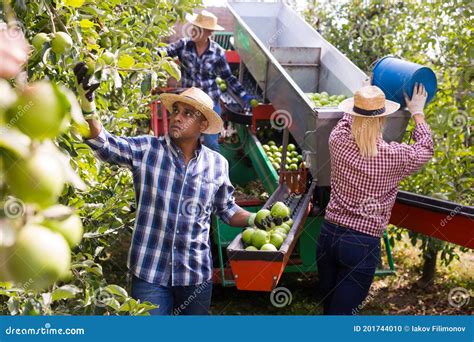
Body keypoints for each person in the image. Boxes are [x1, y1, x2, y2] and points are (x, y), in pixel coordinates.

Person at [73, 62, 257, 315]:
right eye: (176, 110)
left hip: (194, 274)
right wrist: (88, 104)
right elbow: (102, 142)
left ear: (203, 125)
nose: (177, 116)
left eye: (187, 113)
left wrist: (256, 219)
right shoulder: (147, 150)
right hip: (151, 274)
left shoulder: (217, 164)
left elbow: (226, 209)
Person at [317, 84, 434, 315]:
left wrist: (365, 93)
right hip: (361, 245)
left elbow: (348, 120)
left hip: (328, 238)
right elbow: (425, 148)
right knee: (340, 318)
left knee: (329, 310)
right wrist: (417, 112)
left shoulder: (338, 140)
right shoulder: (395, 157)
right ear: (383, 120)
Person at [162, 10, 254, 152]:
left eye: (199, 29)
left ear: (208, 33)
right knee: (181, 141)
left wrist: (244, 96)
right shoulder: (183, 45)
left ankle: (212, 172)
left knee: (211, 144)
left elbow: (228, 77)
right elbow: (164, 52)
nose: (194, 31)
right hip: (189, 102)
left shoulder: (217, 52)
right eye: (194, 27)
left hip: (210, 102)